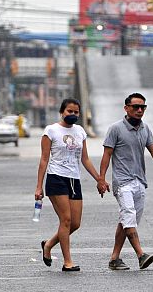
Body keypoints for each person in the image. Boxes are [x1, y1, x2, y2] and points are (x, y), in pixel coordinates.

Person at [97, 92, 153, 271]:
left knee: (127, 220)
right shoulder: (115, 129)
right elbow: (107, 155)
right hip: (122, 182)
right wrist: (101, 179)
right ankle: (141, 255)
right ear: (126, 108)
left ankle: (114, 259)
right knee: (128, 217)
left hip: (140, 182)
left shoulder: (145, 129)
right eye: (136, 107)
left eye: (143, 107)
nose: (140, 110)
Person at [34, 98, 106, 272]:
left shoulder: (80, 131)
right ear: (62, 112)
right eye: (69, 111)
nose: (72, 114)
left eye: (76, 112)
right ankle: (68, 262)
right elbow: (44, 160)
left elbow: (85, 159)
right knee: (65, 220)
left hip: (74, 179)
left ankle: (49, 244)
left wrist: (99, 179)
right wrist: (39, 187)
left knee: (75, 223)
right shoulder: (51, 131)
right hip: (56, 178)